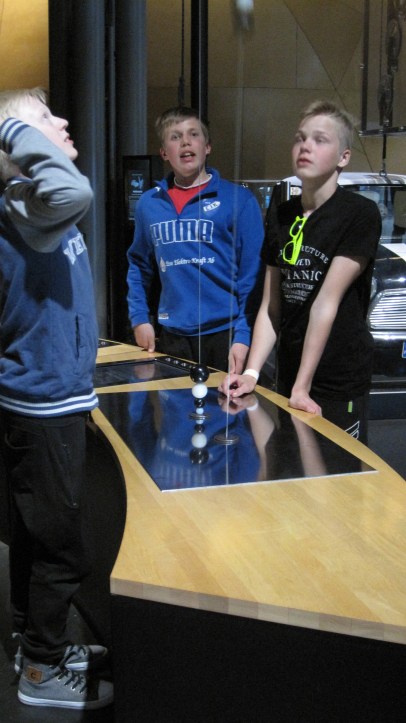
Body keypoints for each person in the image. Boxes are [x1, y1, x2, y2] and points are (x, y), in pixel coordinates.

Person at [0, 88, 113, 709]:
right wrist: (8, 126)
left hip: (41, 396)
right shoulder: (29, 201)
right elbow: (76, 190)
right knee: (61, 544)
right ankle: (42, 670)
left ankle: (33, 641)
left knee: (36, 532)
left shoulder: (30, 204)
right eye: (46, 117)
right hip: (44, 401)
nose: (63, 121)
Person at [220, 100, 382, 444]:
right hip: (290, 373)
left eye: (320, 140)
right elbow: (271, 306)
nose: (305, 146)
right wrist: (252, 372)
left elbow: (326, 303)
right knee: (288, 466)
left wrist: (302, 387)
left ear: (344, 157)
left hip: (337, 378)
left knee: (337, 469)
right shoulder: (281, 214)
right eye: (300, 138)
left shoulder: (360, 214)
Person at [127, 105, 264, 373]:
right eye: (175, 137)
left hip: (226, 335)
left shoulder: (239, 200)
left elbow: (252, 277)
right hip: (172, 335)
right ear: (164, 152)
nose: (186, 142)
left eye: (194, 134)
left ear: (207, 146)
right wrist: (139, 318)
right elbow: (139, 266)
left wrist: (244, 335)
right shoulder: (148, 204)